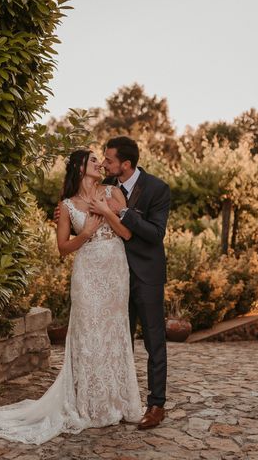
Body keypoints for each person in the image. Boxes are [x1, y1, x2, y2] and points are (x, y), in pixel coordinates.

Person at [0, 149, 143, 444]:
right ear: (80, 168)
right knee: (88, 334)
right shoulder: (67, 205)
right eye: (94, 160)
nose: (100, 164)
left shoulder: (113, 192)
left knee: (114, 332)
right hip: (87, 274)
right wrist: (84, 233)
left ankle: (118, 401)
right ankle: (89, 404)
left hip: (114, 271)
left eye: (101, 160)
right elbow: (62, 248)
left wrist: (107, 211)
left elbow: (127, 234)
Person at [95, 135, 171, 430]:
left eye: (109, 160)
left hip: (147, 276)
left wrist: (124, 212)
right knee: (119, 340)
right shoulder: (106, 189)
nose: (104, 164)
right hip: (115, 276)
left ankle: (156, 405)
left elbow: (155, 234)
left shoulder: (157, 188)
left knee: (154, 341)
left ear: (125, 164)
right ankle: (119, 400)